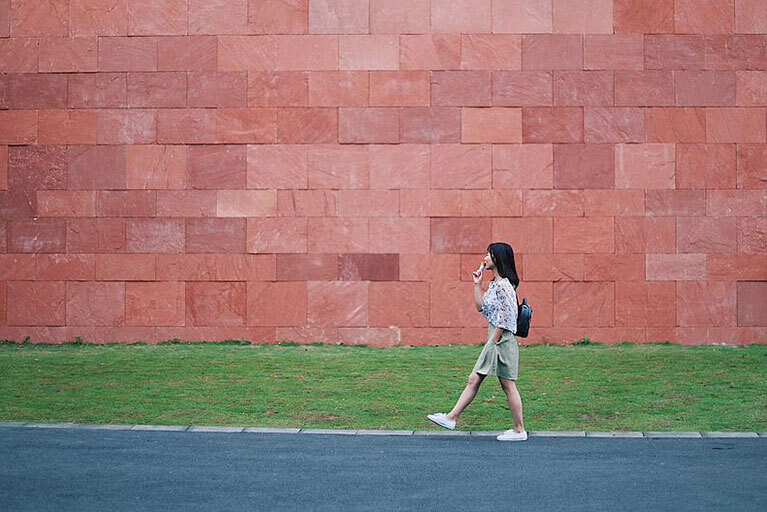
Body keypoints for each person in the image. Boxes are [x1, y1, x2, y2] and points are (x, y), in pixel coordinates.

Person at [427, 242, 527, 441]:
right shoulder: (494, 284)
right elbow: (481, 308)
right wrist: (476, 284)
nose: (485, 257)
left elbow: (507, 317)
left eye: (489, 254)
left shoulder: (504, 286)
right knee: (489, 381)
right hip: (496, 337)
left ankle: (518, 430)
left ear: (497, 258)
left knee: (501, 384)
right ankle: (452, 417)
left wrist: (494, 340)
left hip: (501, 339)